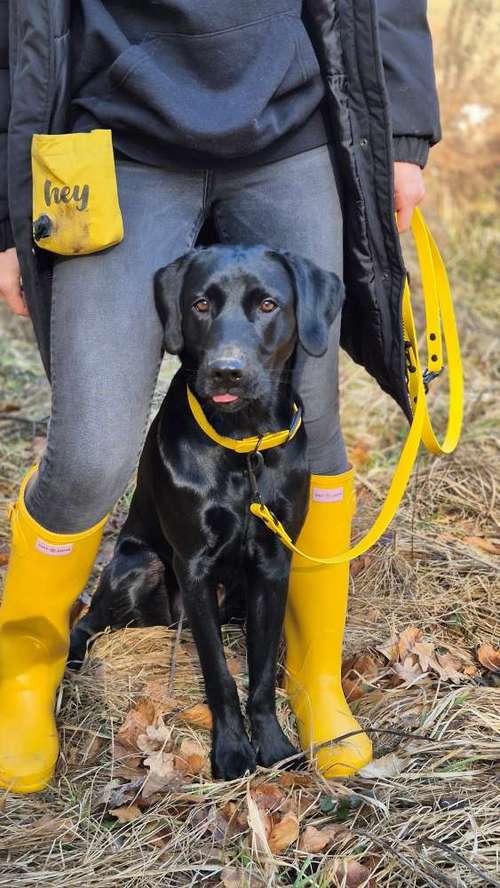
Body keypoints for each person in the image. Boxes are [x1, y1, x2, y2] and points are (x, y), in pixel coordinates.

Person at [0, 0, 440, 793]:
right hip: (110, 144)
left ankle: (311, 677)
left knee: (318, 422)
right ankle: (26, 673)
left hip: (290, 130)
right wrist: (7, 210)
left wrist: (403, 131)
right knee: (90, 452)